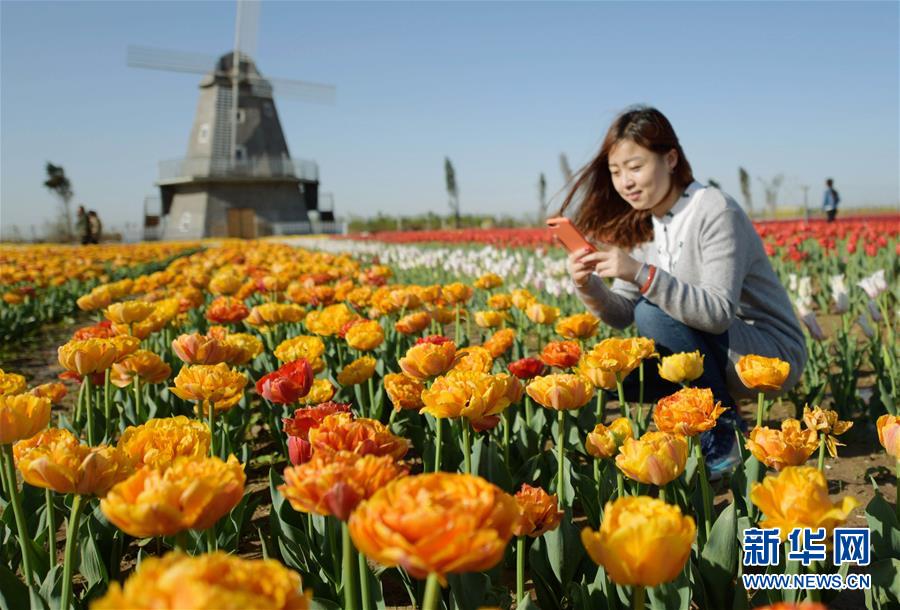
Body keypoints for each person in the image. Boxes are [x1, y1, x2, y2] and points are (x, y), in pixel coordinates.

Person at [561, 105, 807, 478]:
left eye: (635, 167)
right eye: (615, 172)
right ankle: (705, 417)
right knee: (608, 376)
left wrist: (642, 274)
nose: (625, 181)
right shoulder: (652, 222)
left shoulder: (715, 210)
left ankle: (722, 435)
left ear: (670, 158)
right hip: (718, 349)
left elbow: (718, 312)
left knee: (652, 312)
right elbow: (621, 311)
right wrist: (587, 283)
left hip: (767, 353)